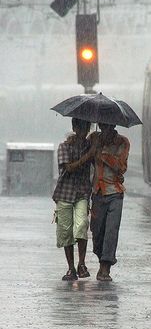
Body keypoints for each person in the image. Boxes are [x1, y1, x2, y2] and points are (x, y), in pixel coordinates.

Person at [89, 123, 130, 282]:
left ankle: (105, 267)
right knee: (97, 232)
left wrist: (103, 154)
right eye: (103, 126)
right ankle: (102, 258)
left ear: (113, 125)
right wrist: (94, 149)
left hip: (115, 192)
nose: (105, 128)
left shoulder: (122, 142)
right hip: (97, 192)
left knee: (111, 231)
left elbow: (121, 166)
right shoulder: (93, 138)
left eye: (108, 126)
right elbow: (86, 157)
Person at [52, 118, 92, 281]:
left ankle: (81, 264)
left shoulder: (90, 145)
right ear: (75, 127)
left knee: (82, 225)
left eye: (87, 127)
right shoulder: (64, 146)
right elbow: (68, 167)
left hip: (82, 192)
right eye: (81, 126)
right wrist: (87, 156)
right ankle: (71, 268)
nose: (84, 130)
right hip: (64, 193)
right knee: (65, 231)